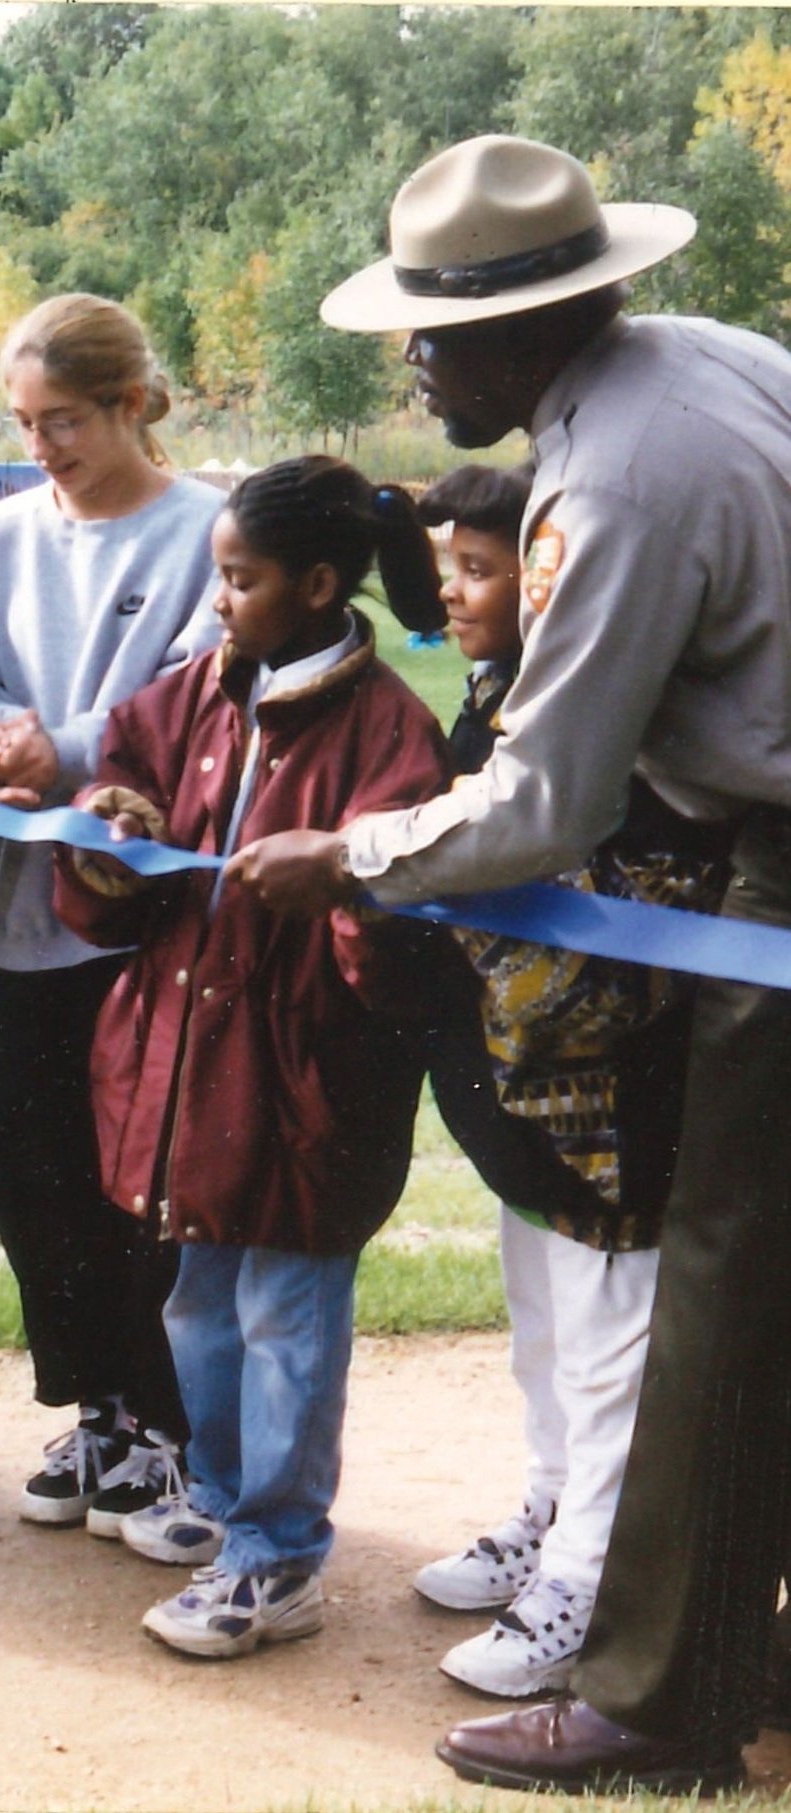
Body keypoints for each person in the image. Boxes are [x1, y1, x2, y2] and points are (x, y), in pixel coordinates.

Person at [228, 134, 791, 1793]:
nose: (409, 357)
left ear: (527, 322)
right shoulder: (710, 362)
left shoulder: (606, 482)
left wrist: (352, 849)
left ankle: (653, 1697)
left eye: (431, 328)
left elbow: (547, 798)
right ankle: (734, 1635)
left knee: (717, 1266)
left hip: (769, 856)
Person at [51, 455, 450, 1656]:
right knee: (201, 1306)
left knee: (287, 1314)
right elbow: (123, 774)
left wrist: (343, 874)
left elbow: (407, 939)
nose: (218, 599)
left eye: (241, 578)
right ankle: (226, 1507)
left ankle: (279, 1556)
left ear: (320, 584)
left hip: (301, 1092)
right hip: (187, 1079)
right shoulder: (192, 697)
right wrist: (106, 834)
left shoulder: (391, 735)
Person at [408, 463, 727, 1699]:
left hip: (616, 1099)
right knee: (545, 1332)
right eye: (449, 566)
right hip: (524, 1096)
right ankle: (549, 1514)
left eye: (484, 568)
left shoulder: (624, 718)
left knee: (609, 1353)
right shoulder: (498, 698)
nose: (457, 590)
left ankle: (588, 1590)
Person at [0, 293, 221, 1535]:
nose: (38, 447)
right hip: (31, 922)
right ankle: (97, 1406)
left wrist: (71, 746)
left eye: (63, 422)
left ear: (133, 405)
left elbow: (203, 701)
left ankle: (166, 1423)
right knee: (26, 1165)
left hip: (151, 930)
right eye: (22, 423)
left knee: (137, 1179)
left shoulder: (207, 531)